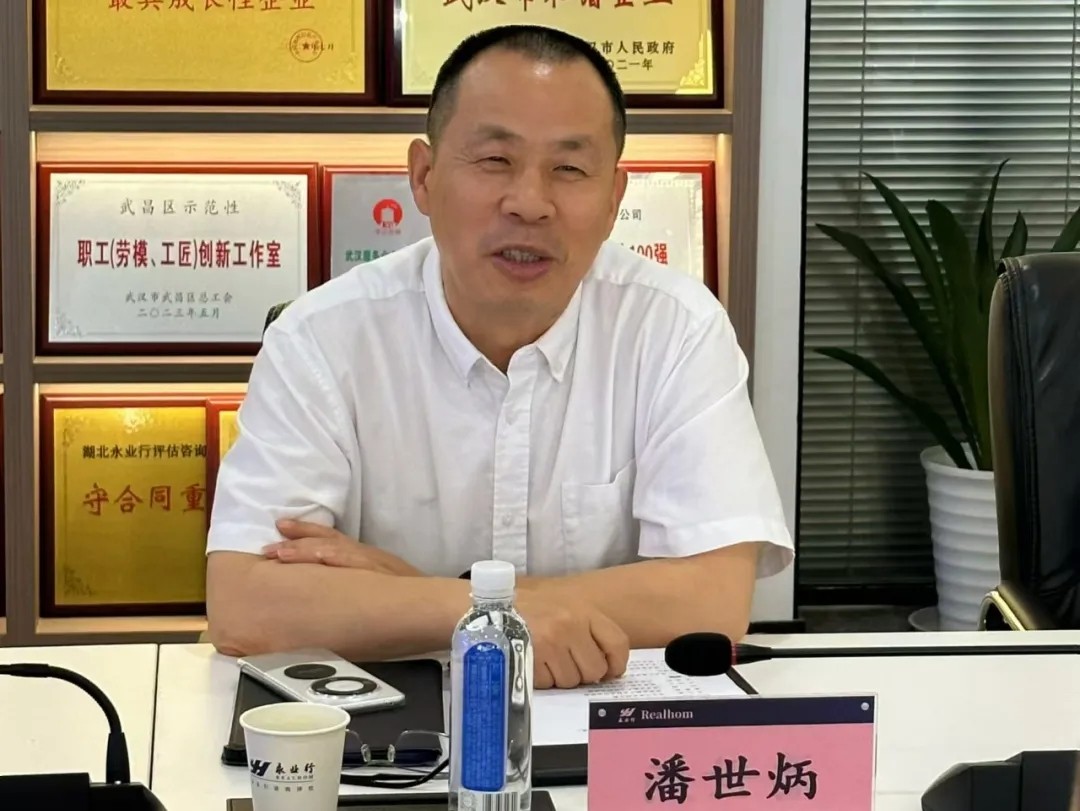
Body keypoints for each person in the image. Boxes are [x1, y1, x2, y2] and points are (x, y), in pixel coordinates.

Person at [205, 24, 793, 690]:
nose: (530, 204)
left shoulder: (676, 328)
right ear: (424, 177)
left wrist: (418, 591)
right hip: (390, 727)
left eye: (569, 169)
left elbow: (711, 601)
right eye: (494, 160)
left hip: (610, 719)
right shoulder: (321, 338)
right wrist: (500, 612)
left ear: (613, 199)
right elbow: (246, 602)